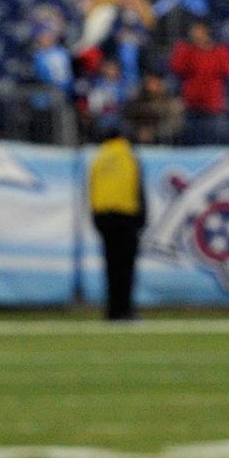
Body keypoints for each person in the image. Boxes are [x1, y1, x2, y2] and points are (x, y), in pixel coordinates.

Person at [88, 127, 146, 320]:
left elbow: (92, 189)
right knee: (126, 268)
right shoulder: (129, 156)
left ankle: (112, 310)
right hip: (127, 217)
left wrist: (96, 218)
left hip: (104, 217)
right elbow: (138, 188)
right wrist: (142, 218)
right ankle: (125, 310)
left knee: (111, 267)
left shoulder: (99, 158)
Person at [169, 19, 229, 144]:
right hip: (191, 105)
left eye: (198, 30)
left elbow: (227, 71)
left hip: (212, 105)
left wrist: (206, 52)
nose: (195, 33)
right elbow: (176, 67)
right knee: (190, 141)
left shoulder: (220, 51)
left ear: (206, 31)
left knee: (211, 142)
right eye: (194, 30)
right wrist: (190, 50)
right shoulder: (185, 49)